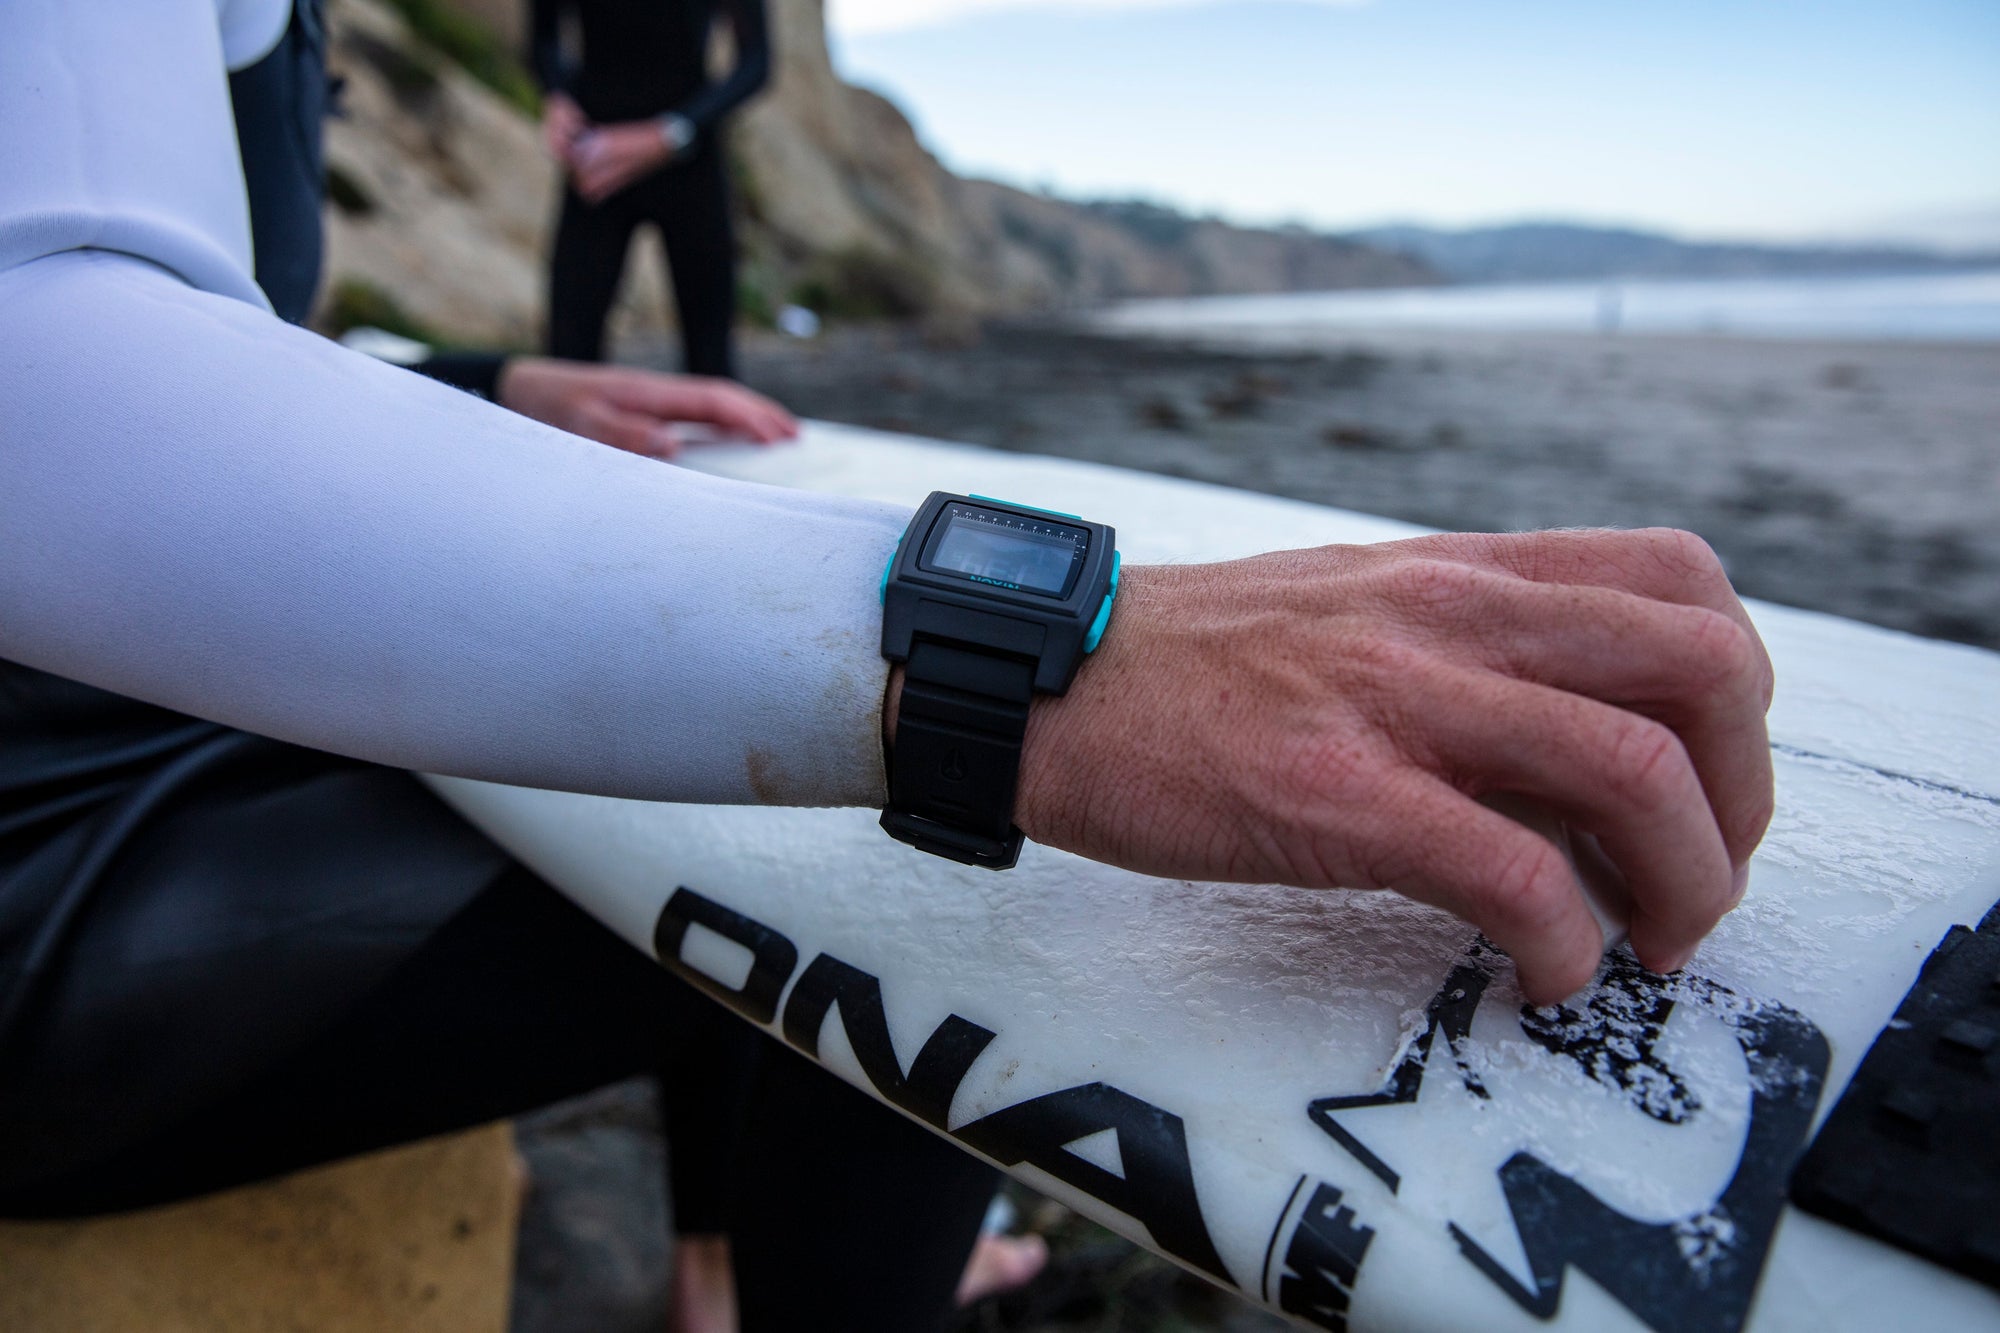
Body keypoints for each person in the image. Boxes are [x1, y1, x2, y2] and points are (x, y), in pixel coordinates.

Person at [0, 3, 1773, 1331]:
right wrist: (1051, 675)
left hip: (134, 716)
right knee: (928, 860)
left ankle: (717, 1264)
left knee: (732, 752)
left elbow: (146, 278)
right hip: (52, 846)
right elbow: (37, 375)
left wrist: (472, 383)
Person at [532, 0, 770, 376]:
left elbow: (756, 62)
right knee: (568, 358)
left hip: (690, 164)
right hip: (597, 161)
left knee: (710, 364)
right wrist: (559, 99)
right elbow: (543, 38)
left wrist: (667, 135)